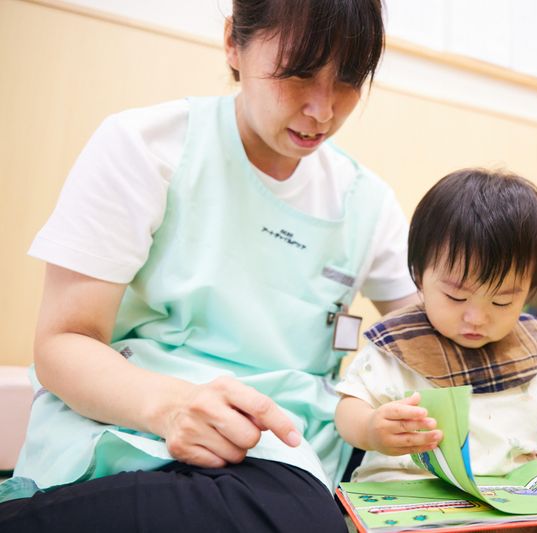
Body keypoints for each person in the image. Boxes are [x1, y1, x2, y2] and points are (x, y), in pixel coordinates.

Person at [0, 1, 419, 531]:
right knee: (290, 517)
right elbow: (62, 344)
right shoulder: (149, 147)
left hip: (291, 449)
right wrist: (172, 406)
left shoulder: (366, 202)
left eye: (349, 80)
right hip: (137, 428)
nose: (322, 109)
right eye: (298, 73)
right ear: (233, 44)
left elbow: (435, 330)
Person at [335, 169, 537, 532]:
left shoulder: (529, 343)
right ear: (419, 274)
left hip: (517, 499)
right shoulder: (398, 342)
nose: (477, 318)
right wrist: (371, 429)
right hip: (419, 500)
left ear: (529, 290)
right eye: (456, 296)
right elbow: (349, 406)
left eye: (502, 301)